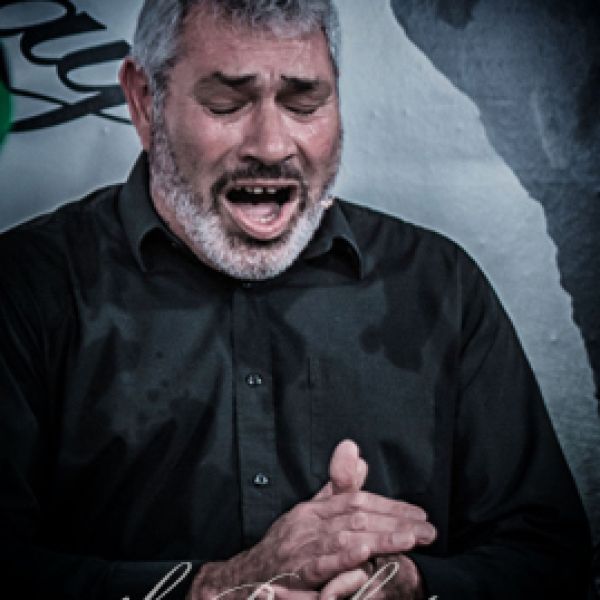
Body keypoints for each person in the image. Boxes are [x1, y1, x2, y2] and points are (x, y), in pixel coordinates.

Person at [0, 1, 592, 599]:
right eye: (227, 103)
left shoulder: (441, 284)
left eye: (304, 104)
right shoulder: (28, 287)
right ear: (144, 101)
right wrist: (212, 589)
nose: (271, 145)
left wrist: (411, 586)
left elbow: (550, 557)